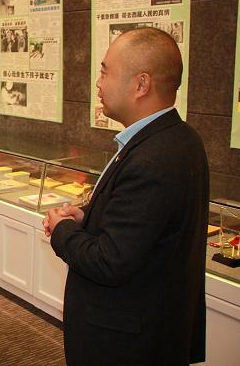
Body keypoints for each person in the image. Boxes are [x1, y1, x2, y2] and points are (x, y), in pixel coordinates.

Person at [43, 27, 209, 365]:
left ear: (141, 84)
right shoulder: (180, 138)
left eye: (105, 72)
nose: (98, 83)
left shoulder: (152, 158)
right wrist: (89, 216)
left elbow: (110, 262)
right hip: (153, 329)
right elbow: (148, 228)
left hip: (127, 343)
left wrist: (62, 230)